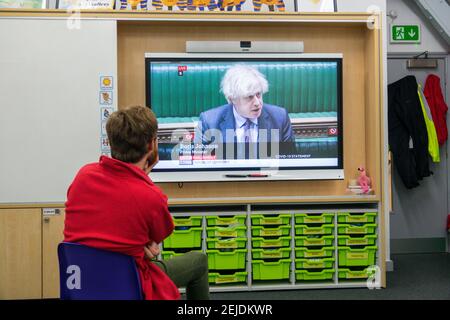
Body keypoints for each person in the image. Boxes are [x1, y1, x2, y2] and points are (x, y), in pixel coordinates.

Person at [64, 105, 210, 300]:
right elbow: (159, 236)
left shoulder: (84, 175)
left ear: (110, 142)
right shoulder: (150, 196)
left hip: (82, 282)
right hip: (127, 283)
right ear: (151, 145)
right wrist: (143, 179)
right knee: (198, 261)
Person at [195, 64, 296, 159]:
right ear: (232, 99)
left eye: (258, 94)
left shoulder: (280, 118)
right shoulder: (209, 122)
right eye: (249, 97)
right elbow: (199, 165)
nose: (257, 103)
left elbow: (289, 162)